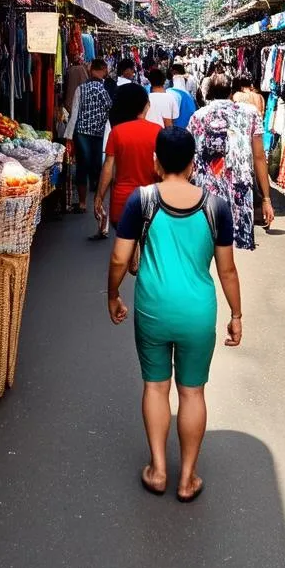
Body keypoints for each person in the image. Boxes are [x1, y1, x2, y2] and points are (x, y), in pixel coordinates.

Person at [107, 126, 242, 502]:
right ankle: (187, 478)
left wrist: (113, 294)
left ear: (155, 162)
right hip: (198, 313)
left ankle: (158, 470)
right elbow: (227, 269)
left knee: (155, 386)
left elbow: (120, 257)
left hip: (153, 309)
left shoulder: (142, 199)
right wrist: (237, 314)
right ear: (193, 163)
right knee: (192, 391)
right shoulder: (216, 206)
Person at [188, 74, 274, 250]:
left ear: (210, 92)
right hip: (239, 189)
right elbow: (259, 157)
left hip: (206, 191)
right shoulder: (251, 114)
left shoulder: (198, 116)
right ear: (231, 92)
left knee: (205, 245)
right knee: (229, 248)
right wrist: (266, 198)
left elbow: (190, 157)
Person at [95, 83, 159, 237]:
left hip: (122, 201)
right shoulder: (158, 131)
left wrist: (99, 197)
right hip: (152, 200)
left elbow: (108, 167)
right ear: (146, 105)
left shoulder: (117, 132)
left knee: (124, 253)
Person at [63, 59, 113, 219]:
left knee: (82, 168)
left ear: (91, 70)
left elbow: (75, 113)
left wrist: (69, 136)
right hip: (97, 133)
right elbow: (109, 107)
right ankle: (98, 202)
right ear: (103, 70)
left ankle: (83, 203)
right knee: (96, 166)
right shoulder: (104, 89)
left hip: (82, 132)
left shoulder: (81, 89)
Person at [169, 63, 198, 128]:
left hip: (181, 103)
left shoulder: (175, 81)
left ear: (175, 72)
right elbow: (194, 92)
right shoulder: (191, 78)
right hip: (189, 103)